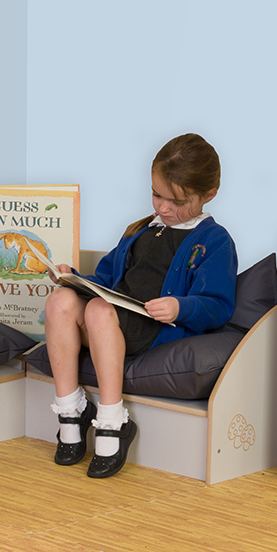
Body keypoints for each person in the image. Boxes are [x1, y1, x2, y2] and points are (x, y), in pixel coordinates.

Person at [43, 133, 238, 479]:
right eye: (156, 195)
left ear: (209, 195)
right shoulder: (140, 229)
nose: (163, 208)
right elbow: (106, 280)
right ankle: (71, 411)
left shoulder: (215, 241)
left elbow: (218, 306)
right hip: (111, 318)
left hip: (151, 327)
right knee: (60, 301)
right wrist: (73, 278)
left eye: (177, 202)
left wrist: (180, 307)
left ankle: (112, 419)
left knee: (98, 310)